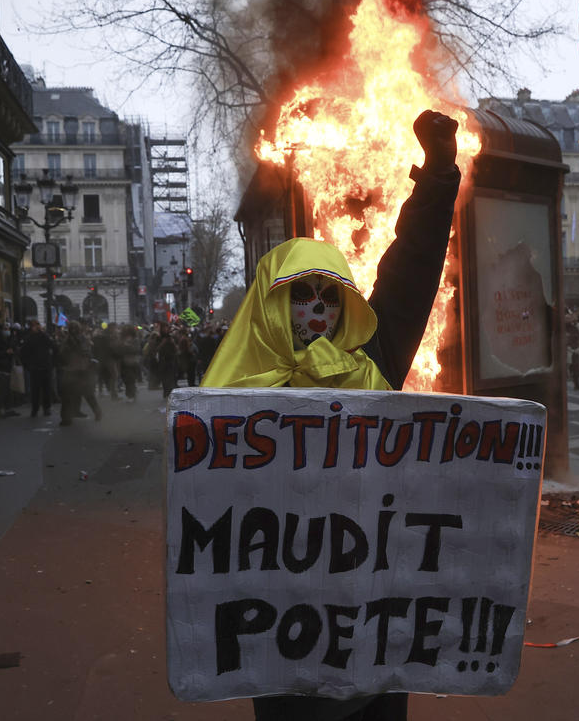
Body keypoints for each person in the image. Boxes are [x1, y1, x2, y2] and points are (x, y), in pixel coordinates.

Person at [201, 109, 460, 721]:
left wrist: (440, 174)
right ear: (271, 301)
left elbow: (410, 272)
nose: (316, 311)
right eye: (300, 296)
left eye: (328, 297)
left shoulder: (370, 361)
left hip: (371, 626)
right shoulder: (230, 393)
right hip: (281, 635)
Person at [58, 321, 101, 426]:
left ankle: (67, 418)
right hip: (79, 369)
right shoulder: (80, 340)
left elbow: (64, 354)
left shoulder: (74, 340)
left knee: (73, 395)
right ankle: (67, 418)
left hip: (76, 369)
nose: (73, 330)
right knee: (83, 394)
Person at [20, 319, 55, 417]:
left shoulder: (44, 336)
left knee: (46, 389)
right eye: (35, 325)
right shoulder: (28, 338)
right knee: (35, 390)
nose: (37, 327)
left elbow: (52, 345)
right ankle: (35, 409)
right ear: (31, 327)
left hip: (45, 367)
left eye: (38, 325)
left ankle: (46, 408)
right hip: (35, 368)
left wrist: (43, 333)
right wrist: (28, 366)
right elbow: (23, 353)